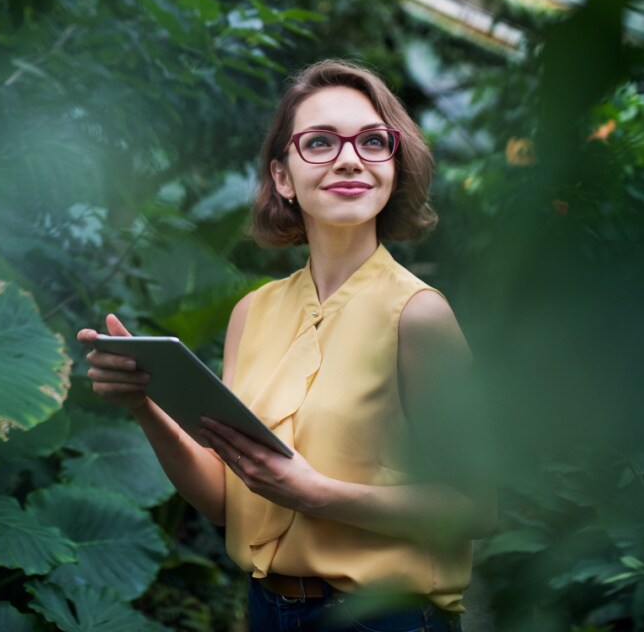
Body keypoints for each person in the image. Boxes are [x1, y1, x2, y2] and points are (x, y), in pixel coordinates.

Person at [77, 60, 495, 632]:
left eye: (373, 141)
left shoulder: (418, 314)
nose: (350, 158)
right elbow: (226, 501)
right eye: (319, 142)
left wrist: (318, 494)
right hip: (268, 610)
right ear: (282, 176)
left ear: (393, 165)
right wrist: (143, 405)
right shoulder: (254, 312)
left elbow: (477, 508)